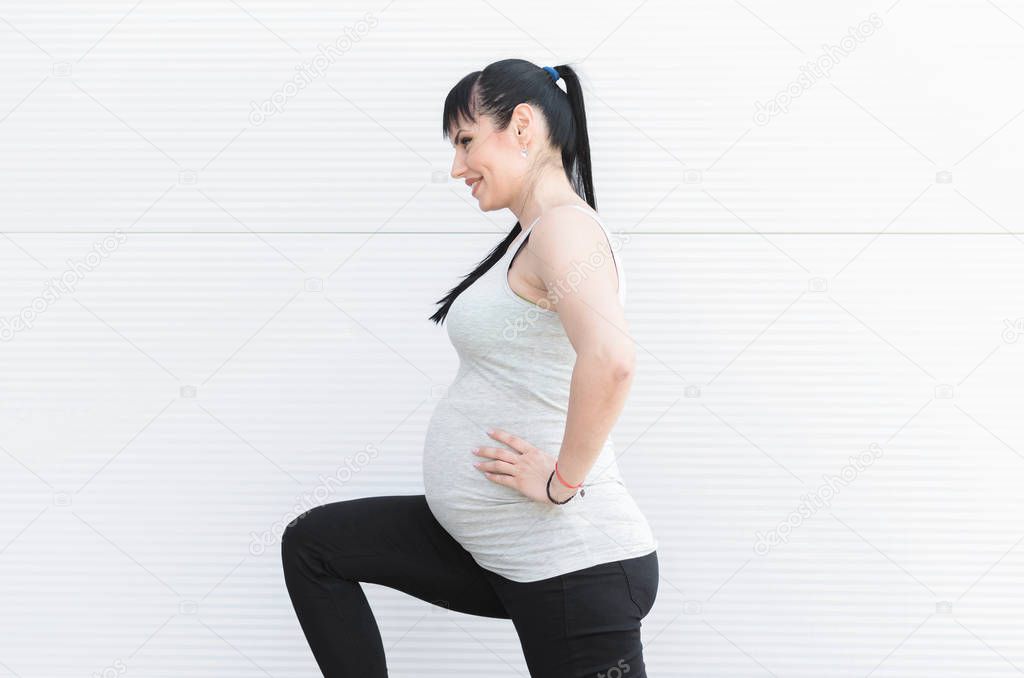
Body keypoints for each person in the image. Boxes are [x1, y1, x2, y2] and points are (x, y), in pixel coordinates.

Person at [282, 58, 660, 678]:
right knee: (316, 545)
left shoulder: (565, 228)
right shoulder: (533, 233)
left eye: (465, 141)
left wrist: (561, 482)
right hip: (499, 547)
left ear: (522, 126)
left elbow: (613, 360)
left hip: (571, 565)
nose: (457, 167)